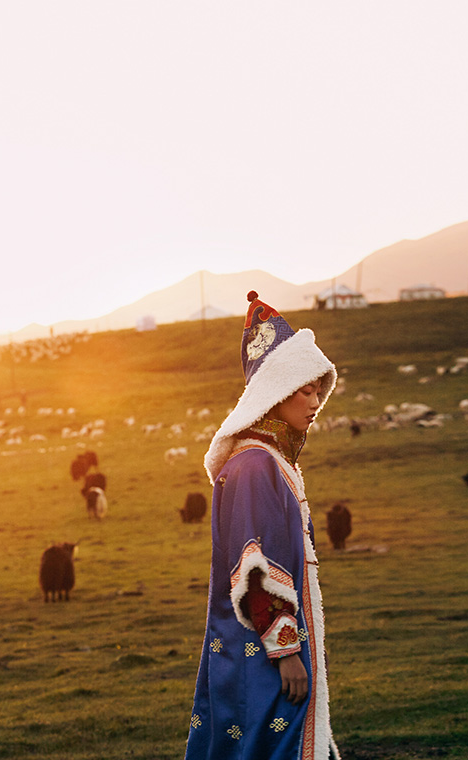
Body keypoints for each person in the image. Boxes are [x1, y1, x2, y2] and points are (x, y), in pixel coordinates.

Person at [185, 292, 340, 760]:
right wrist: (286, 651)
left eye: (319, 391)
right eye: (306, 391)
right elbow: (254, 567)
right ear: (277, 391)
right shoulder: (255, 465)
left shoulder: (268, 461)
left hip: (264, 647)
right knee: (270, 745)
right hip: (265, 652)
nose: (315, 403)